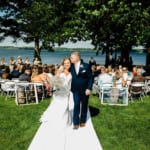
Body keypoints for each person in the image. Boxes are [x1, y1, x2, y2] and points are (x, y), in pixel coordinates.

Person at [70, 51, 93, 129]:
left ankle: (83, 121)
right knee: (76, 105)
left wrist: (89, 88)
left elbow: (90, 78)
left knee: (84, 105)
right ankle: (76, 122)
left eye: (72, 57)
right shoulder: (71, 67)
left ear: (77, 57)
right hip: (75, 90)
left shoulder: (86, 66)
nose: (70, 59)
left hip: (84, 90)